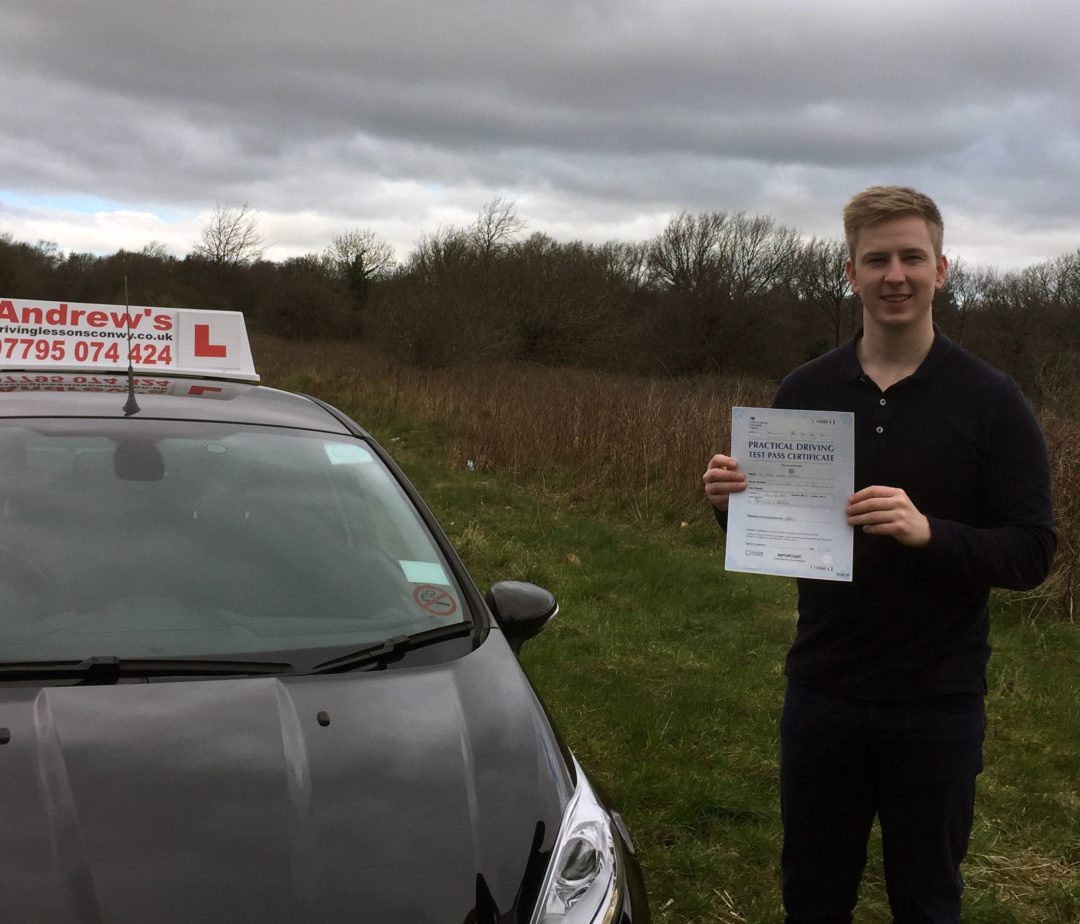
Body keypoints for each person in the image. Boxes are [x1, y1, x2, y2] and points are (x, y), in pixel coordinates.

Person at [703, 186, 1056, 923]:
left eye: (912, 258)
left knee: (926, 900)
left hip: (937, 703)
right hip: (823, 691)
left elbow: (1031, 552)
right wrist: (733, 508)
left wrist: (930, 532)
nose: (896, 275)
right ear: (850, 274)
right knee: (812, 893)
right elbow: (781, 539)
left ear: (942, 270)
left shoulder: (992, 400)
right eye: (877, 260)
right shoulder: (804, 390)